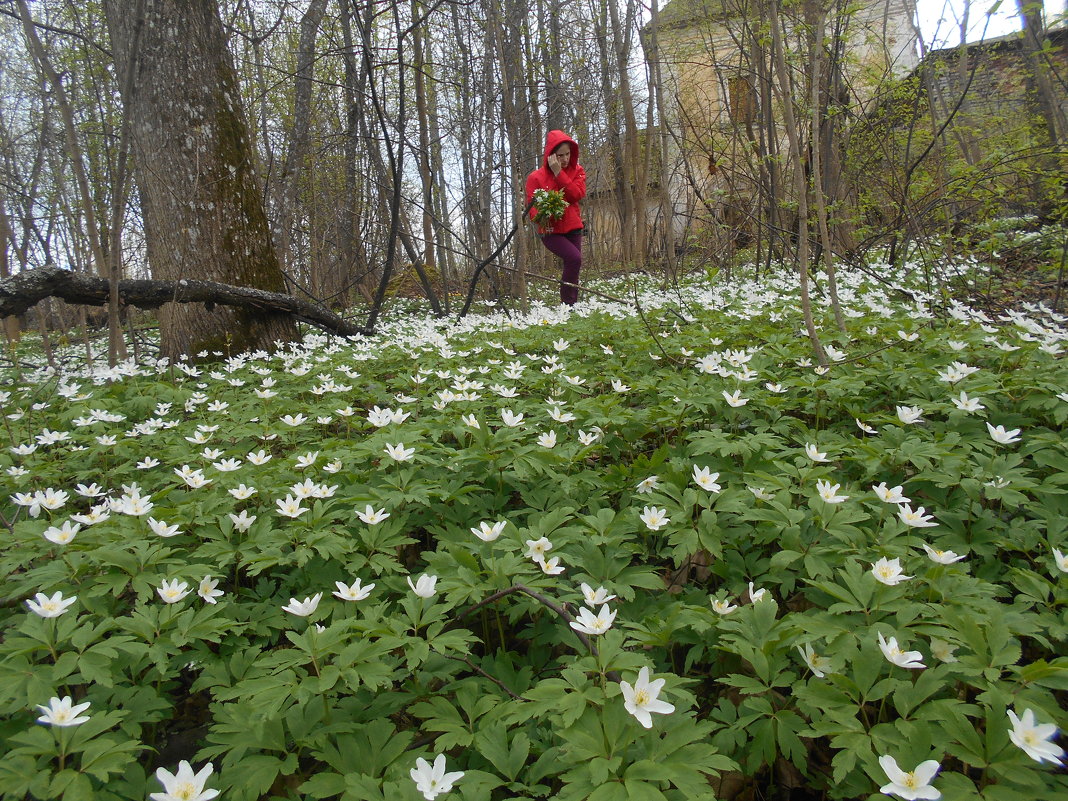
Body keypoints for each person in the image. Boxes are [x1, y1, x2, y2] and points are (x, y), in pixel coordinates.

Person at [525, 130, 587, 305]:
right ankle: (567, 304)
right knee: (574, 258)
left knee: (573, 265)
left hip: (573, 227)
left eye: (568, 154)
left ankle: (571, 306)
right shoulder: (535, 177)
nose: (565, 159)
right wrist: (544, 215)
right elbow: (532, 208)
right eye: (560, 155)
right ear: (551, 156)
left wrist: (560, 174)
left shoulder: (577, 171)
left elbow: (576, 195)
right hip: (550, 230)